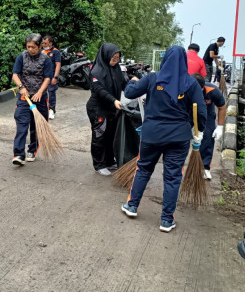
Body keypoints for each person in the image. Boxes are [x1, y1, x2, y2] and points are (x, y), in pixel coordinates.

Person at [121, 46, 206, 232]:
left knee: (143, 169)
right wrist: (196, 130)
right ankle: (167, 220)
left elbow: (129, 93)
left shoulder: (152, 78)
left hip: (152, 135)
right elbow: (200, 112)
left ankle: (132, 206)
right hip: (178, 138)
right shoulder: (191, 84)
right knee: (173, 177)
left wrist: (132, 81)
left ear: (165, 59)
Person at [11, 33, 54, 165]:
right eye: (28, 46)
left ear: (39, 46)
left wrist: (40, 92)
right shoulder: (22, 57)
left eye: (33, 47)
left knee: (36, 126)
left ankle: (33, 149)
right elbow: (15, 75)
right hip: (24, 97)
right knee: (22, 124)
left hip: (39, 98)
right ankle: (18, 154)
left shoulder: (45, 59)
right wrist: (21, 87)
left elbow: (47, 78)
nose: (30, 49)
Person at [86, 43, 126, 176]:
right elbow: (99, 90)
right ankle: (99, 164)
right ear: (106, 55)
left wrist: (134, 83)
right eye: (113, 58)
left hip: (111, 108)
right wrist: (113, 100)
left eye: (117, 58)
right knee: (99, 135)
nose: (116, 60)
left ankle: (109, 161)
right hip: (98, 108)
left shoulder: (116, 69)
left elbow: (123, 83)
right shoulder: (96, 71)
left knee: (111, 135)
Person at [192, 73, 226, 180]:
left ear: (203, 88)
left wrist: (220, 126)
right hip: (188, 112)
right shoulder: (184, 88)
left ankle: (205, 167)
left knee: (207, 137)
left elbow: (222, 107)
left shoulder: (212, 90)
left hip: (206, 114)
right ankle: (174, 165)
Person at [41, 36, 61, 120]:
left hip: (51, 75)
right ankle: (43, 109)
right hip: (42, 76)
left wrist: (55, 77)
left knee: (51, 93)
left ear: (50, 43)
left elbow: (58, 65)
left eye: (45, 43)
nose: (44, 45)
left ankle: (51, 110)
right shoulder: (42, 52)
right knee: (42, 93)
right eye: (43, 43)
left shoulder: (55, 52)